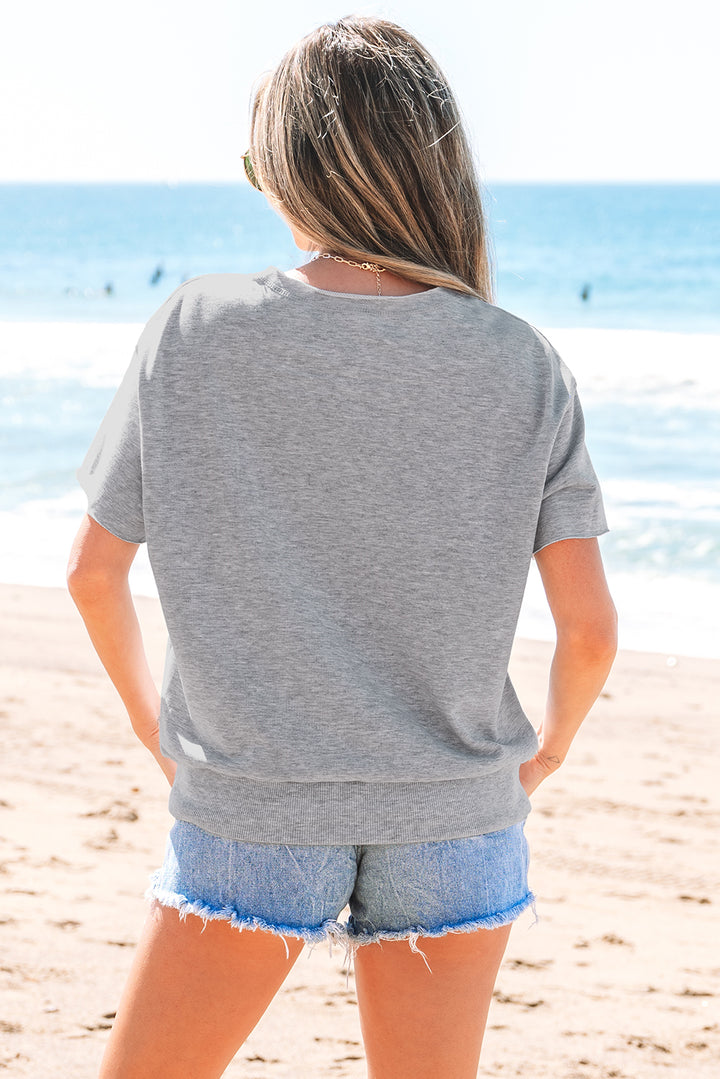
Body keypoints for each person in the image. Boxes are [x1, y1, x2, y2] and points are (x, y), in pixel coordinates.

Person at [66, 14, 617, 1079]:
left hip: (252, 804)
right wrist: (543, 752)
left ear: (290, 171)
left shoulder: (196, 327)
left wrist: (156, 727)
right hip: (459, 817)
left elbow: (93, 574)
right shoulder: (523, 362)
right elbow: (590, 631)